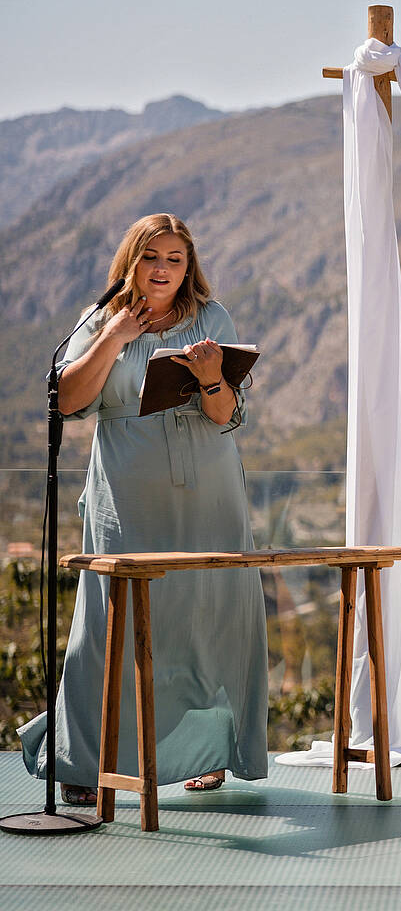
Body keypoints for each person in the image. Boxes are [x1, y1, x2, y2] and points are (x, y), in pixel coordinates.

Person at [20, 214, 268, 804]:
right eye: (151, 256)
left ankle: (209, 752)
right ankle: (85, 763)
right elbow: (69, 400)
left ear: (189, 266)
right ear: (130, 261)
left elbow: (227, 416)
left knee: (207, 619)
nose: (162, 268)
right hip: (126, 495)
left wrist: (212, 379)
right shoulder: (99, 318)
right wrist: (114, 338)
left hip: (209, 489)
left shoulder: (213, 317)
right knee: (109, 627)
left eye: (175, 259)